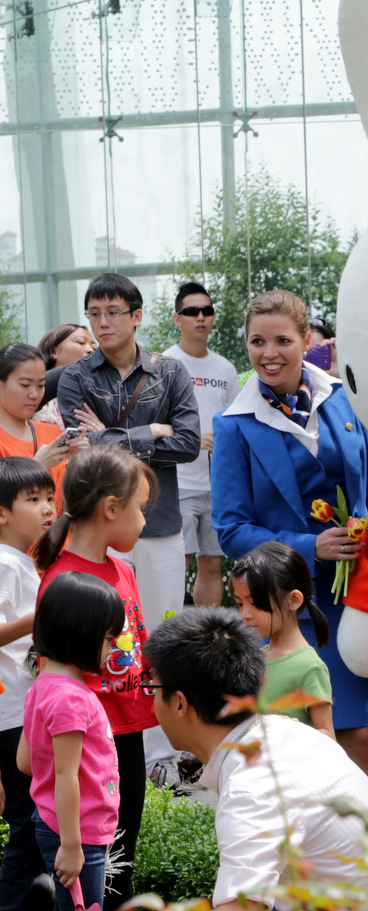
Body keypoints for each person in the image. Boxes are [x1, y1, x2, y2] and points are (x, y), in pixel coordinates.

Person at [141, 607, 368, 911]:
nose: (150, 698)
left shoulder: (253, 789)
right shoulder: (284, 735)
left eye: (152, 686)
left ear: (180, 703)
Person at [210, 290, 368, 780]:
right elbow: (231, 531)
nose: (269, 353)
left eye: (283, 340)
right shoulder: (233, 427)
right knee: (307, 753)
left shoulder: (345, 399)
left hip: (360, 597)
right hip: (291, 610)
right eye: (256, 341)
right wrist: (310, 547)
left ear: (307, 340)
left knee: (366, 744)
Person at [56, 272, 201, 781]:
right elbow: (80, 444)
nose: (102, 323)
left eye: (113, 312)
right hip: (99, 529)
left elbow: (186, 442)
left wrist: (115, 437)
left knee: (161, 634)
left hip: (157, 521)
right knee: (107, 636)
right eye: (94, 314)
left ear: (137, 316)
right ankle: (106, 748)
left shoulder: (170, 372)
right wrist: (147, 432)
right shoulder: (76, 376)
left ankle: (162, 754)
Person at [33, 447, 157, 911]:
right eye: (141, 508)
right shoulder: (63, 580)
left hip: (125, 729)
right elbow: (53, 673)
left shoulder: (121, 569)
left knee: (122, 847)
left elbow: (137, 641)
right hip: (85, 742)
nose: (145, 520)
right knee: (97, 856)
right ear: (111, 508)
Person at [18, 572, 122, 911]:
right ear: (82, 635)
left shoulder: (43, 686)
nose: (114, 646)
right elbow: (65, 776)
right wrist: (73, 847)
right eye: (109, 637)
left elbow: (27, 762)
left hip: (54, 825)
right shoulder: (71, 698)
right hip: (77, 834)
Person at [0, 457, 56, 911]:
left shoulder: (22, 561)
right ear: (1, 513)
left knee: (28, 815)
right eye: (33, 500)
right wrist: (44, 615)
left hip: (22, 710)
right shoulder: (3, 563)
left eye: (49, 499)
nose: (46, 509)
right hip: (9, 715)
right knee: (25, 818)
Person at [164, 282, 239, 607]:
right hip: (177, 483)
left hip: (218, 485)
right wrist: (189, 442)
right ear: (177, 318)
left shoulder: (225, 368)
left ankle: (207, 637)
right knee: (178, 562)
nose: (200, 317)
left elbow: (235, 423)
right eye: (191, 311)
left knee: (211, 561)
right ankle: (167, 641)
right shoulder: (164, 363)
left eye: (206, 310)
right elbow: (149, 424)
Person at [230, 541, 334, 736]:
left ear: (293, 600)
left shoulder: (309, 666)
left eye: (254, 603)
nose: (245, 614)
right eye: (240, 604)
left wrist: (294, 731)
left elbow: (328, 735)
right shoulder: (254, 658)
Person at [0, 343, 87, 511]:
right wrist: (37, 467)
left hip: (61, 536)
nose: (34, 394)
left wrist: (82, 462)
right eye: (25, 385)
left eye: (40, 385)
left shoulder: (52, 433)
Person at [33, 325, 97, 428]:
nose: (91, 350)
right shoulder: (32, 395)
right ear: (54, 351)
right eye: (81, 342)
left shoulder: (96, 397)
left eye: (95, 348)